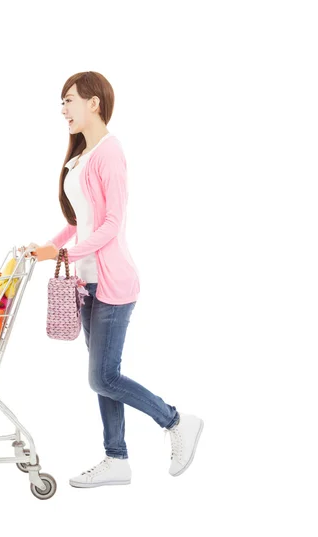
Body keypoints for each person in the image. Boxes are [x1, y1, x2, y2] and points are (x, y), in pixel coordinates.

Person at [19, 71, 204, 488]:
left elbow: (111, 225)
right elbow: (79, 221)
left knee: (102, 377)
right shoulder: (82, 155)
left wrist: (63, 253)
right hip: (87, 285)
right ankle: (116, 458)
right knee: (104, 373)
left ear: (94, 103)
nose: (63, 109)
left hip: (113, 284)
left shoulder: (109, 152)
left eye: (69, 100)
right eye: (62, 103)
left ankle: (176, 421)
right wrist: (47, 246)